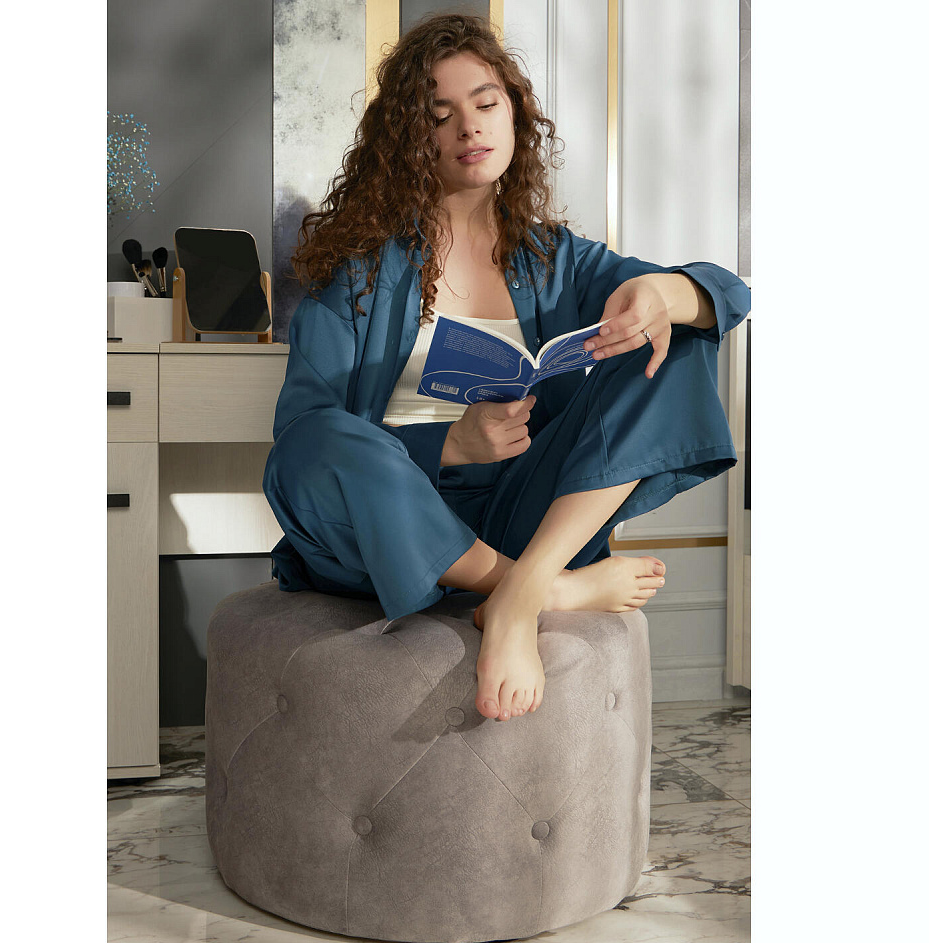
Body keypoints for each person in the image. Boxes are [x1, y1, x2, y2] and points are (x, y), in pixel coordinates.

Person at [263, 13, 750, 726]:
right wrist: (449, 444)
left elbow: (727, 294)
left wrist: (662, 293)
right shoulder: (359, 273)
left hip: (522, 510)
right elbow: (303, 436)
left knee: (675, 336)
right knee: (316, 440)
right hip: (388, 524)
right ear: (410, 138)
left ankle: (519, 595)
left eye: (486, 103)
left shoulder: (554, 259)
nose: (470, 127)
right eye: (441, 115)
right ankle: (544, 587)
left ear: (514, 114)